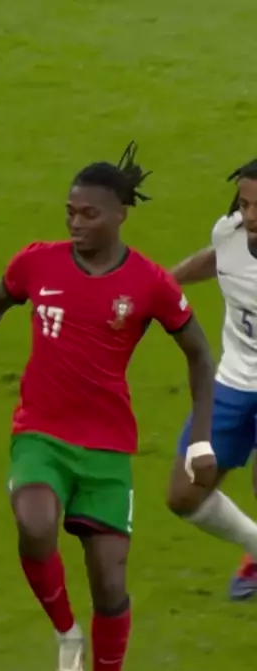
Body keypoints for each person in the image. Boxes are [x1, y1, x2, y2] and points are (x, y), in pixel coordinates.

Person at [0, 142, 216, 671]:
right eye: (70, 212)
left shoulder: (149, 283)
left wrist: (200, 440)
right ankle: (65, 632)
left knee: (110, 585)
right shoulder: (37, 263)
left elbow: (199, 353)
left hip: (106, 448)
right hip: (40, 432)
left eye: (89, 214)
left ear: (120, 215)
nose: (75, 223)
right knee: (34, 523)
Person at [168, 159, 257, 601]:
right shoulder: (230, 233)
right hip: (234, 381)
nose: (249, 216)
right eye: (244, 203)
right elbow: (217, 258)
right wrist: (164, 283)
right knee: (184, 495)